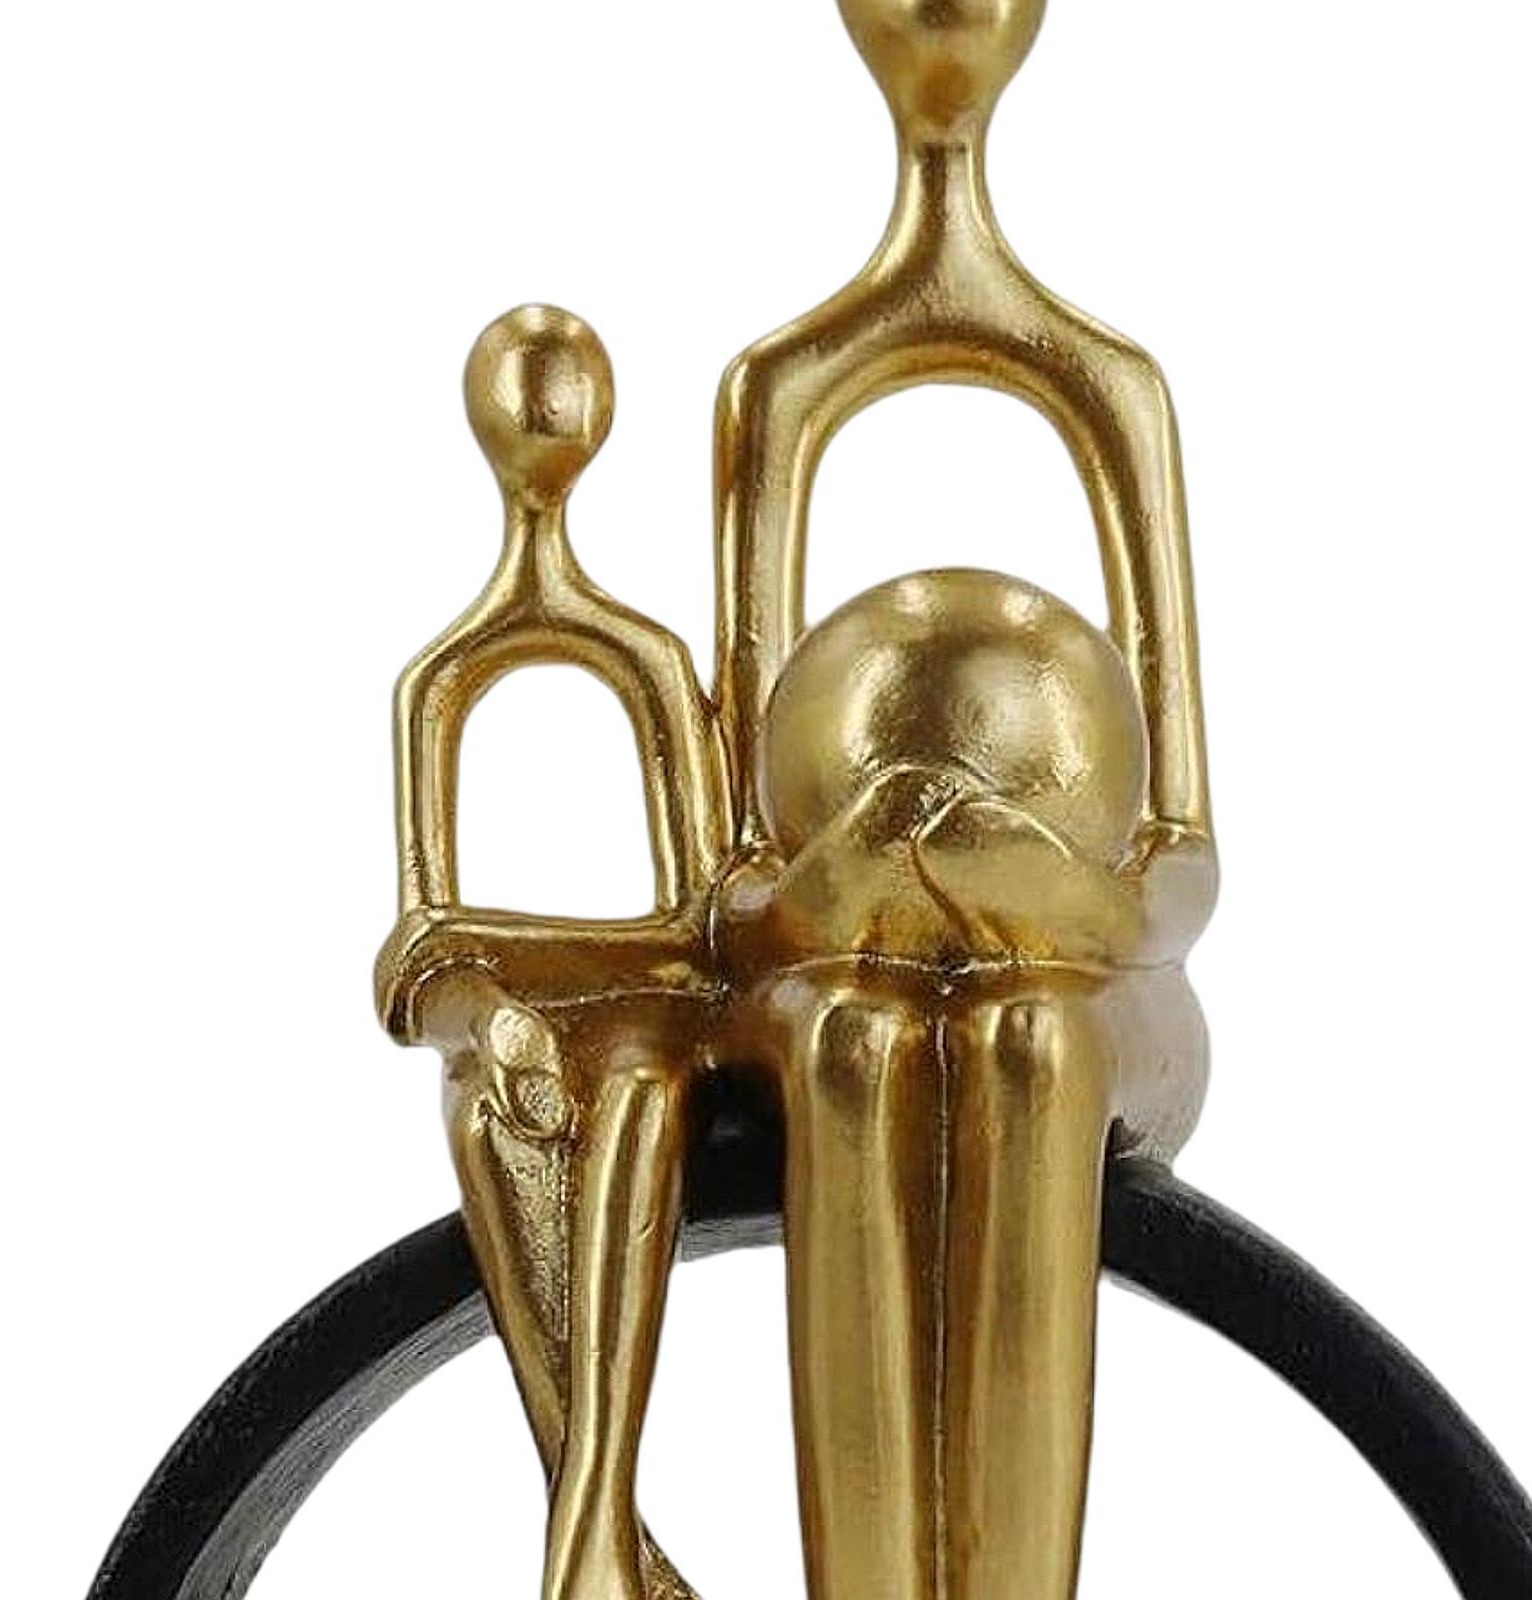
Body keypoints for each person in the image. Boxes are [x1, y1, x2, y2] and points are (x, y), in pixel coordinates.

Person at [709, 5, 1219, 1599]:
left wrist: (1027, 883)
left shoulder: (1113, 386)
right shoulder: (779, 389)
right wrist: (846, 880)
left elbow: (1184, 866)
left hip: (1098, 972)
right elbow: (738, 884)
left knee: (1030, 1043)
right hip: (839, 957)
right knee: (850, 1048)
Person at [376, 306, 730, 1600]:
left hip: (657, 1039)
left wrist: (493, 955)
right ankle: (608, 1536)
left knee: (638, 1086)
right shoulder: (442, 678)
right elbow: (415, 960)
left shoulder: (649, 659)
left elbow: (702, 938)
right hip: (522, 1032)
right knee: (486, 1113)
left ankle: (588, 1533)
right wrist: (487, 998)